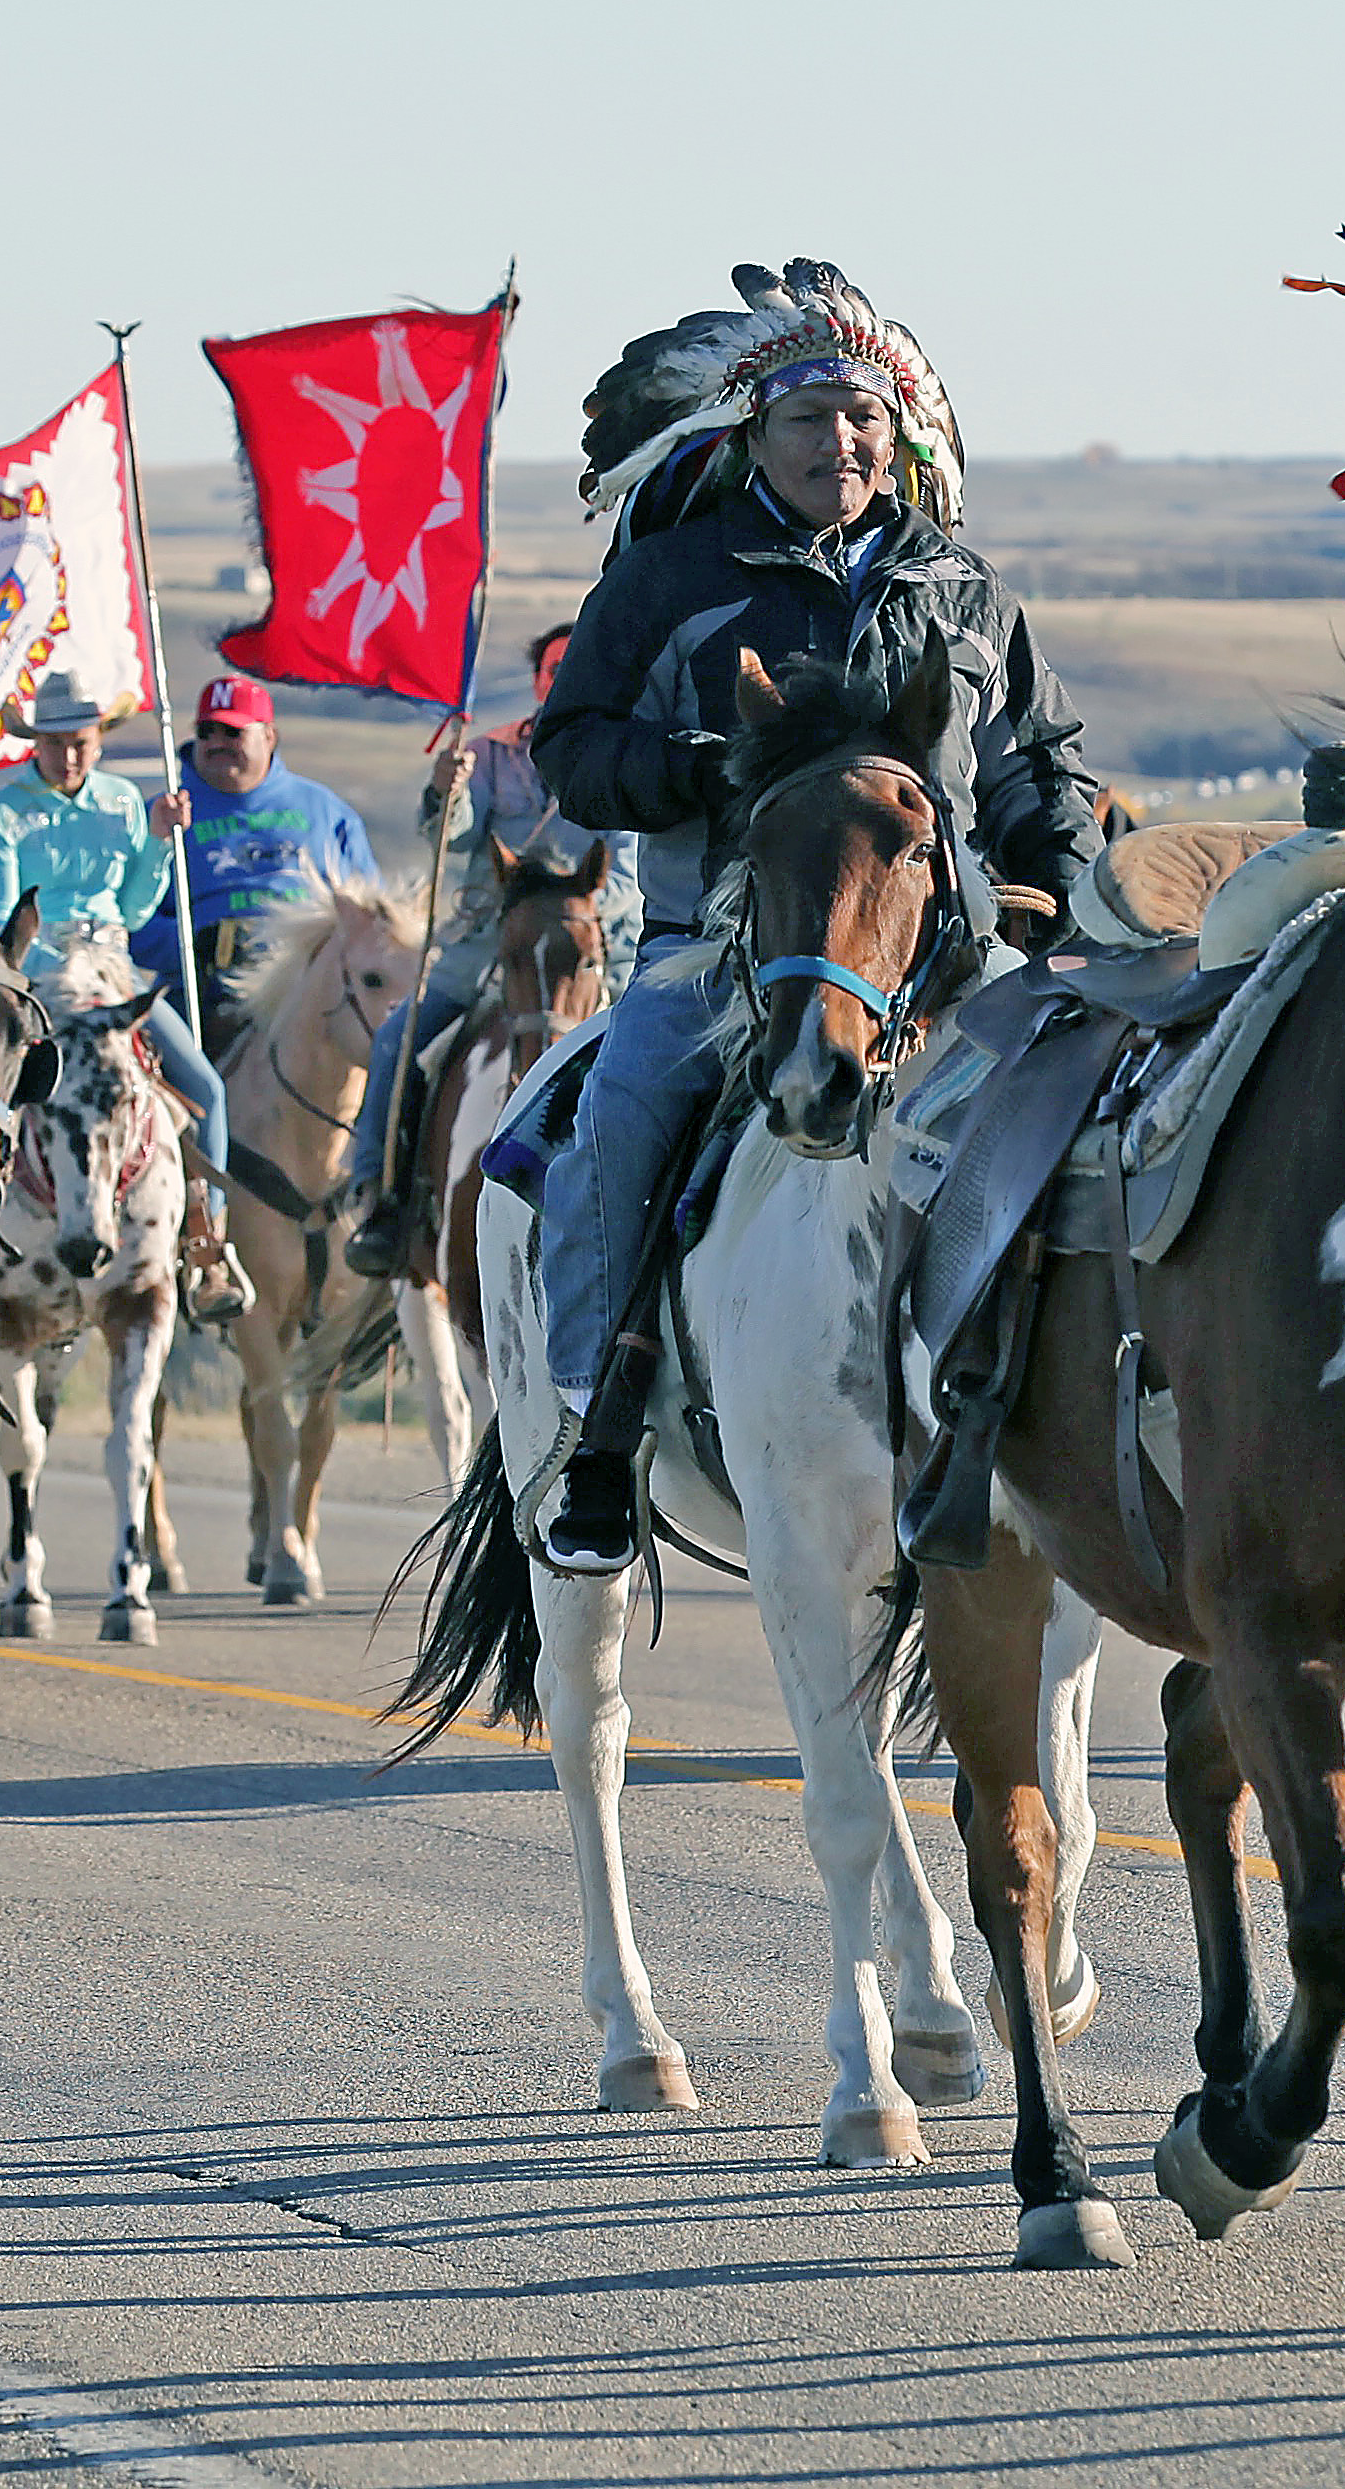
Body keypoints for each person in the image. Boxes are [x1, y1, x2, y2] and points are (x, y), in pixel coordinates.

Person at [527, 262, 1102, 1574]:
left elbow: (1038, 763)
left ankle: (1112, 1409)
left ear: (896, 438)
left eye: (862, 418)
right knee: (620, 1116)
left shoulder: (963, 588)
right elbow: (573, 745)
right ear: (754, 438)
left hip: (943, 956)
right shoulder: (670, 581)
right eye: (807, 419)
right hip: (723, 948)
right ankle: (598, 1434)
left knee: (1100, 1112)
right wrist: (694, 766)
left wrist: (1068, 888)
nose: (839, 441)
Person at [340, 621, 638, 1277]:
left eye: (578, 665)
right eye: (554, 668)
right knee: (397, 1042)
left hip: (591, 949)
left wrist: (570, 903)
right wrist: (444, 794)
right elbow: (449, 837)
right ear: (537, 681)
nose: (565, 678)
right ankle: (382, 1199)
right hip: (488, 947)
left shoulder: (623, 756)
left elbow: (626, 869)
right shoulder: (490, 756)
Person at [0, 671, 248, 1320]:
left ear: (99, 742)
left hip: (117, 976)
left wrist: (158, 842)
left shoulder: (124, 801)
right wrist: (62, 972)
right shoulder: (4, 811)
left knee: (205, 1092)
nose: (69, 756)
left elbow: (135, 907)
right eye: (56, 743)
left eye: (81, 743)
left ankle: (206, 1247)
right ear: (35, 743)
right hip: (39, 981)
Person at [134, 676, 378, 1033]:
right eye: (206, 732)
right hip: (200, 999)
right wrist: (195, 945)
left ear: (269, 736)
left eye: (233, 732)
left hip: (312, 996)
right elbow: (126, 921)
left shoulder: (326, 812)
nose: (217, 743)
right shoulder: (161, 816)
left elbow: (369, 913)